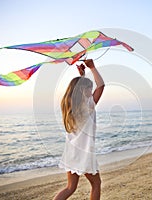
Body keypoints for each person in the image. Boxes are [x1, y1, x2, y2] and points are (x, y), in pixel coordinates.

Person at [54, 59, 104, 200]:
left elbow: (83, 91)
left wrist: (82, 76)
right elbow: (101, 85)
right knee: (96, 184)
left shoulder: (70, 106)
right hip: (84, 153)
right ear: (82, 90)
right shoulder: (88, 105)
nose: (91, 90)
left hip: (71, 152)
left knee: (70, 188)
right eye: (89, 88)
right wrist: (92, 67)